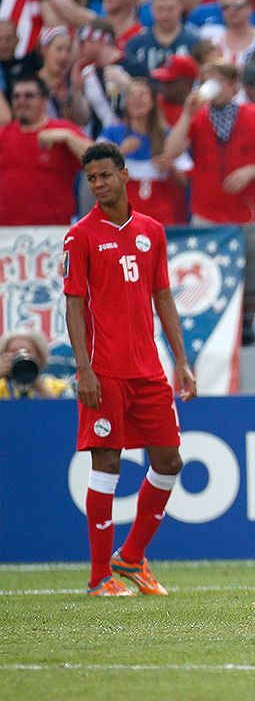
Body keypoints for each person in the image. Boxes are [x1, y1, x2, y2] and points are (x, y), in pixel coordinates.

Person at [63, 141, 198, 596]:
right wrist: (84, 369)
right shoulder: (80, 236)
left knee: (169, 460)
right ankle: (99, 576)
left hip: (148, 369)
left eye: (105, 175)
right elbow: (74, 305)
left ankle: (132, 557)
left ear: (124, 174)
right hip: (104, 369)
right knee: (106, 463)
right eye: (91, 179)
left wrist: (181, 361)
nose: (98, 184)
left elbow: (163, 297)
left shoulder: (151, 231)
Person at [162, 59, 255, 224]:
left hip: (250, 214)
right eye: (207, 82)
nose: (212, 86)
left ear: (234, 84)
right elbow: (171, 151)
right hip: (206, 215)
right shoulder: (197, 118)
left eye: (218, 81)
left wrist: (250, 172)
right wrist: (187, 114)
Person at [98, 77, 192, 224]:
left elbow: (186, 181)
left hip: (161, 219)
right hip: (122, 218)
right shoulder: (111, 133)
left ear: (153, 102)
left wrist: (171, 168)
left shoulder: (168, 136)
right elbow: (95, 171)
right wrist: (120, 152)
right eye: (131, 95)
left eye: (142, 95)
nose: (136, 100)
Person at [0, 76, 89, 225]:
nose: (21, 101)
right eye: (16, 96)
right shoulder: (3, 135)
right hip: (7, 232)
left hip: (53, 231)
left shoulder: (62, 130)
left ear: (44, 100)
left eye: (28, 96)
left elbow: (99, 160)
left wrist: (69, 138)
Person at [121, 0, 199, 77]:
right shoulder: (136, 44)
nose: (164, 15)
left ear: (181, 7)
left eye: (170, 9)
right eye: (160, 9)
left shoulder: (195, 43)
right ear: (152, 9)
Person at [0, 329, 70, 399]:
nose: (19, 356)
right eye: (13, 352)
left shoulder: (59, 387)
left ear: (40, 357)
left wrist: (38, 384)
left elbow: (65, 405)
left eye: (26, 351)